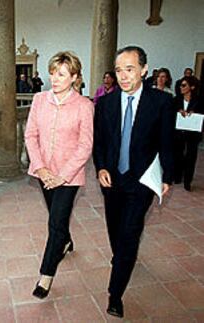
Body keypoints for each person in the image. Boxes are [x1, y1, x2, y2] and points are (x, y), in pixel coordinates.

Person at [93, 46, 174, 318]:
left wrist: (167, 176)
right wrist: (101, 167)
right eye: (119, 70)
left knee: (129, 234)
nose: (123, 76)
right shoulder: (106, 103)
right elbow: (101, 141)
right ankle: (122, 258)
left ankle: (115, 293)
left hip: (142, 180)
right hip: (112, 180)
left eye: (129, 69)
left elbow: (166, 142)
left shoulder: (161, 102)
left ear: (143, 69)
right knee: (116, 231)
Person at [25, 51, 94, 300]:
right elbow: (30, 136)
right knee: (57, 216)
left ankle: (46, 275)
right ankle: (65, 242)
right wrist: (41, 168)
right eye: (53, 72)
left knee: (54, 223)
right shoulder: (39, 99)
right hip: (44, 173)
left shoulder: (85, 106)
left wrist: (62, 176)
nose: (54, 78)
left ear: (74, 76)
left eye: (61, 74)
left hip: (69, 176)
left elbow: (85, 146)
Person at [173, 76, 203, 191]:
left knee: (191, 156)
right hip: (179, 132)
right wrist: (179, 111)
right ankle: (177, 176)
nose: (181, 87)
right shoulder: (176, 100)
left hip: (193, 134)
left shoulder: (199, 101)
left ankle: (187, 181)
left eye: (184, 85)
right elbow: (171, 113)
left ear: (192, 87)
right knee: (178, 154)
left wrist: (193, 113)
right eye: (181, 85)